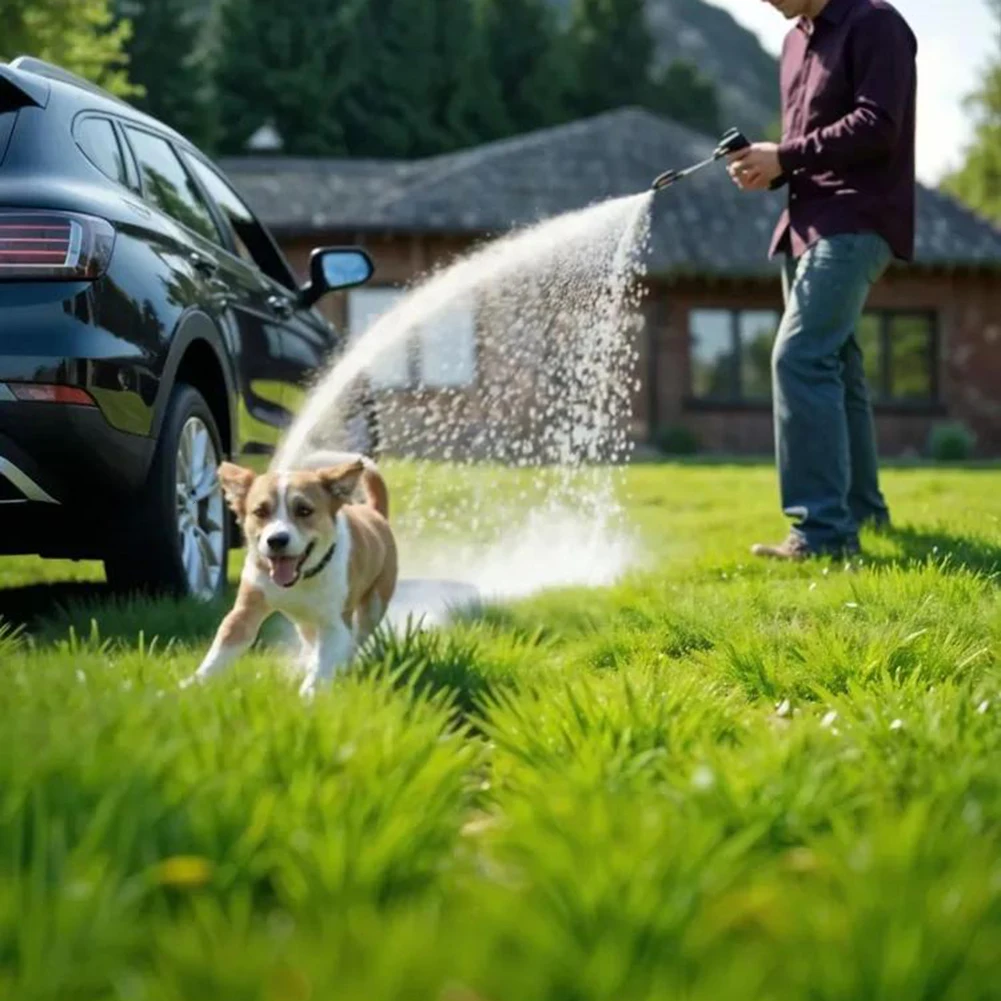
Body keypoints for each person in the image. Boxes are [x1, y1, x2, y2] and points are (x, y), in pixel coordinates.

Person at [726, 0, 917, 560]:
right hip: (805, 225)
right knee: (839, 365)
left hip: (858, 219)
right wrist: (770, 167)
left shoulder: (875, 23)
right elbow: (807, 147)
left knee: (800, 357)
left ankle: (823, 534)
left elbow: (878, 125)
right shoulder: (792, 43)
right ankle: (861, 511)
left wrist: (783, 155)